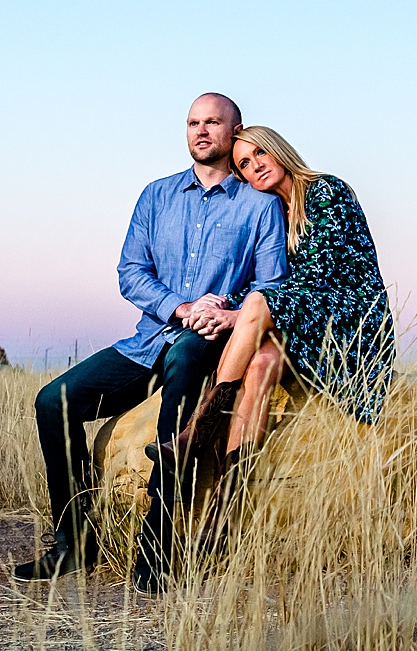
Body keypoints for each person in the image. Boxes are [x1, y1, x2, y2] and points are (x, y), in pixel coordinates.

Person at [12, 93, 287, 589]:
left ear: (235, 130)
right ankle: (73, 544)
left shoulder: (260, 206)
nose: (201, 131)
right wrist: (180, 307)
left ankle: (157, 547)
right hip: (149, 338)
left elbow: (273, 283)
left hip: (208, 343)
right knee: (53, 401)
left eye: (213, 123)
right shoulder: (156, 196)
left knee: (184, 369)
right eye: (192, 123)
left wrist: (223, 312)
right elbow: (130, 272)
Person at [158, 125, 395, 529]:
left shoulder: (326, 191)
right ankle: (225, 511)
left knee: (257, 303)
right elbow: (271, 276)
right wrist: (223, 303)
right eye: (244, 166)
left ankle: (197, 432)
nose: (255, 168)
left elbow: (316, 276)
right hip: (304, 317)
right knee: (261, 364)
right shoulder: (274, 212)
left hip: (349, 318)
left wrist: (240, 313)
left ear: (278, 149)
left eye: (259, 155)